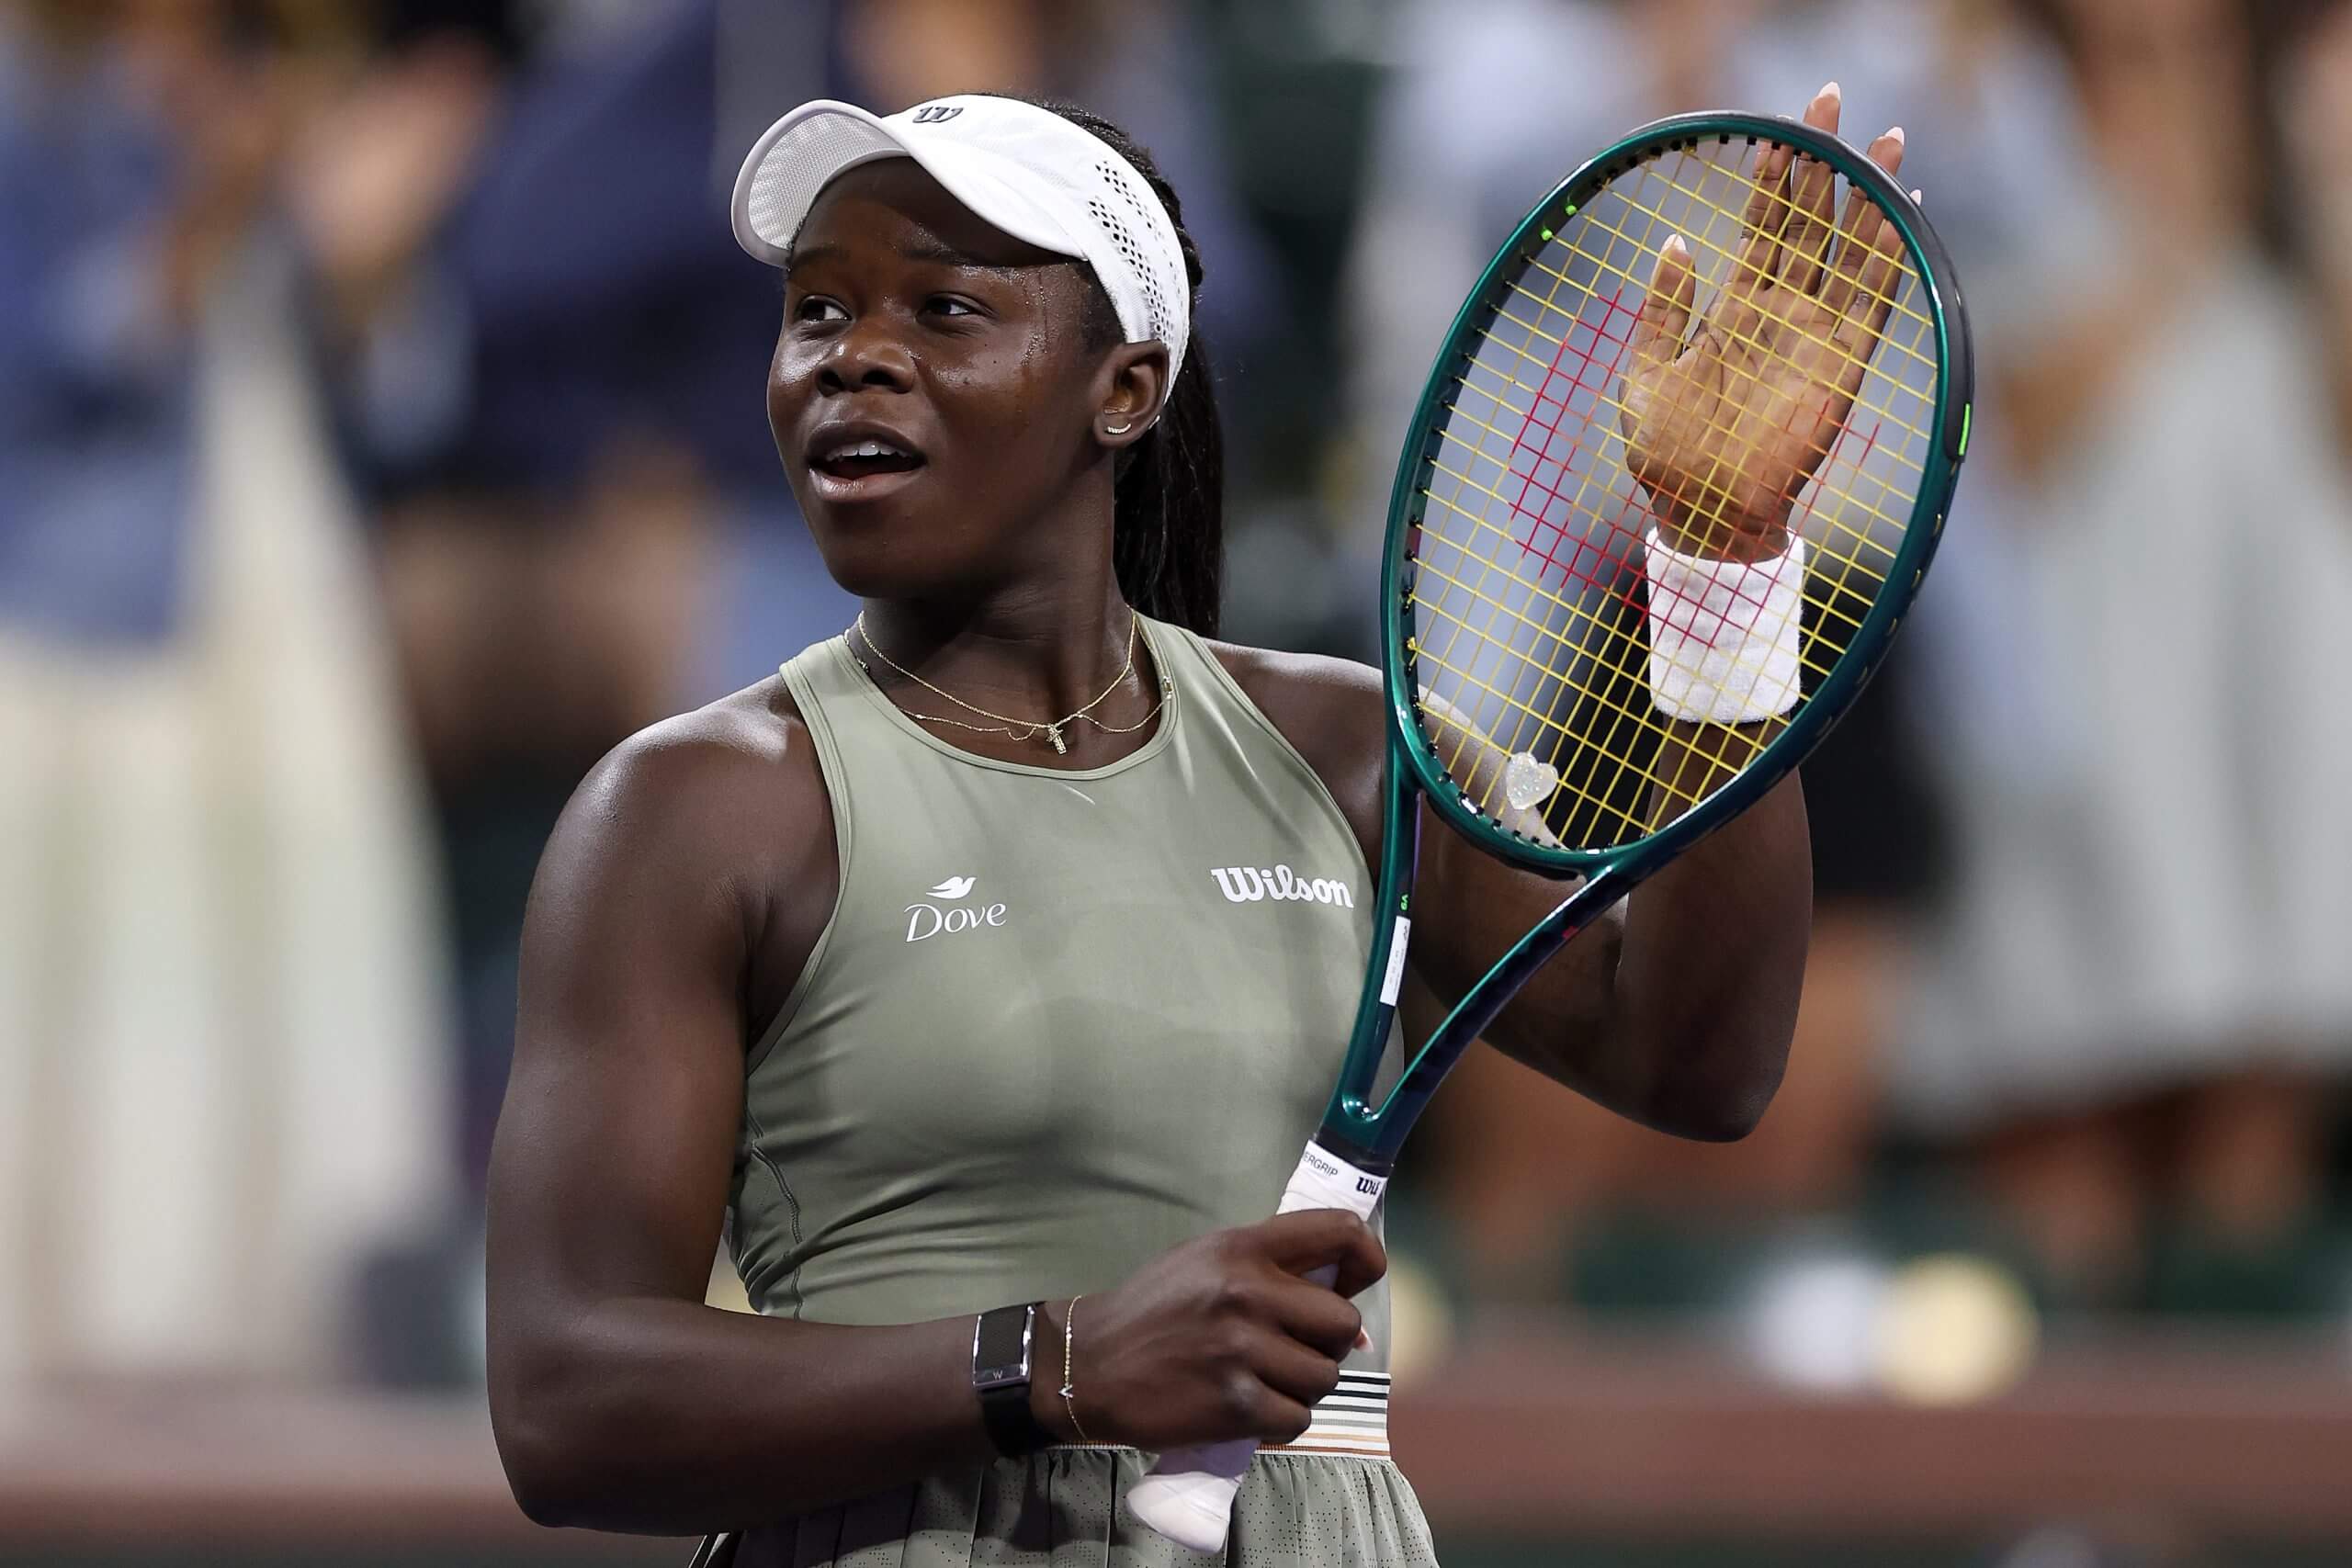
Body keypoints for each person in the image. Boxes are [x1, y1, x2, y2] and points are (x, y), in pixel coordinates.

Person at [484, 85, 1905, 1562]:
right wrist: (1059, 1361)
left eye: (945, 310)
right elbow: (565, 1398)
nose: (857, 360)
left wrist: (1726, 565)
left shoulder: (1356, 758)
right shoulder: (692, 812)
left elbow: (1699, 1061)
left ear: (1126, 388)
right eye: (818, 313)